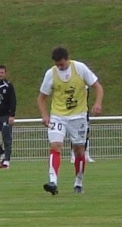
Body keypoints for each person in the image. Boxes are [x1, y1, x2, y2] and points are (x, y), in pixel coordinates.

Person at [37, 46, 103, 195]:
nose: (59, 67)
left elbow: (98, 87)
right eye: (57, 64)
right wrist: (45, 115)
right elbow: (41, 98)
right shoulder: (51, 74)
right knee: (55, 145)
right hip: (58, 115)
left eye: (61, 64)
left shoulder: (79, 68)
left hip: (78, 116)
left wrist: (98, 103)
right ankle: (53, 182)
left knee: (79, 151)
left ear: (68, 59)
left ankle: (78, 182)